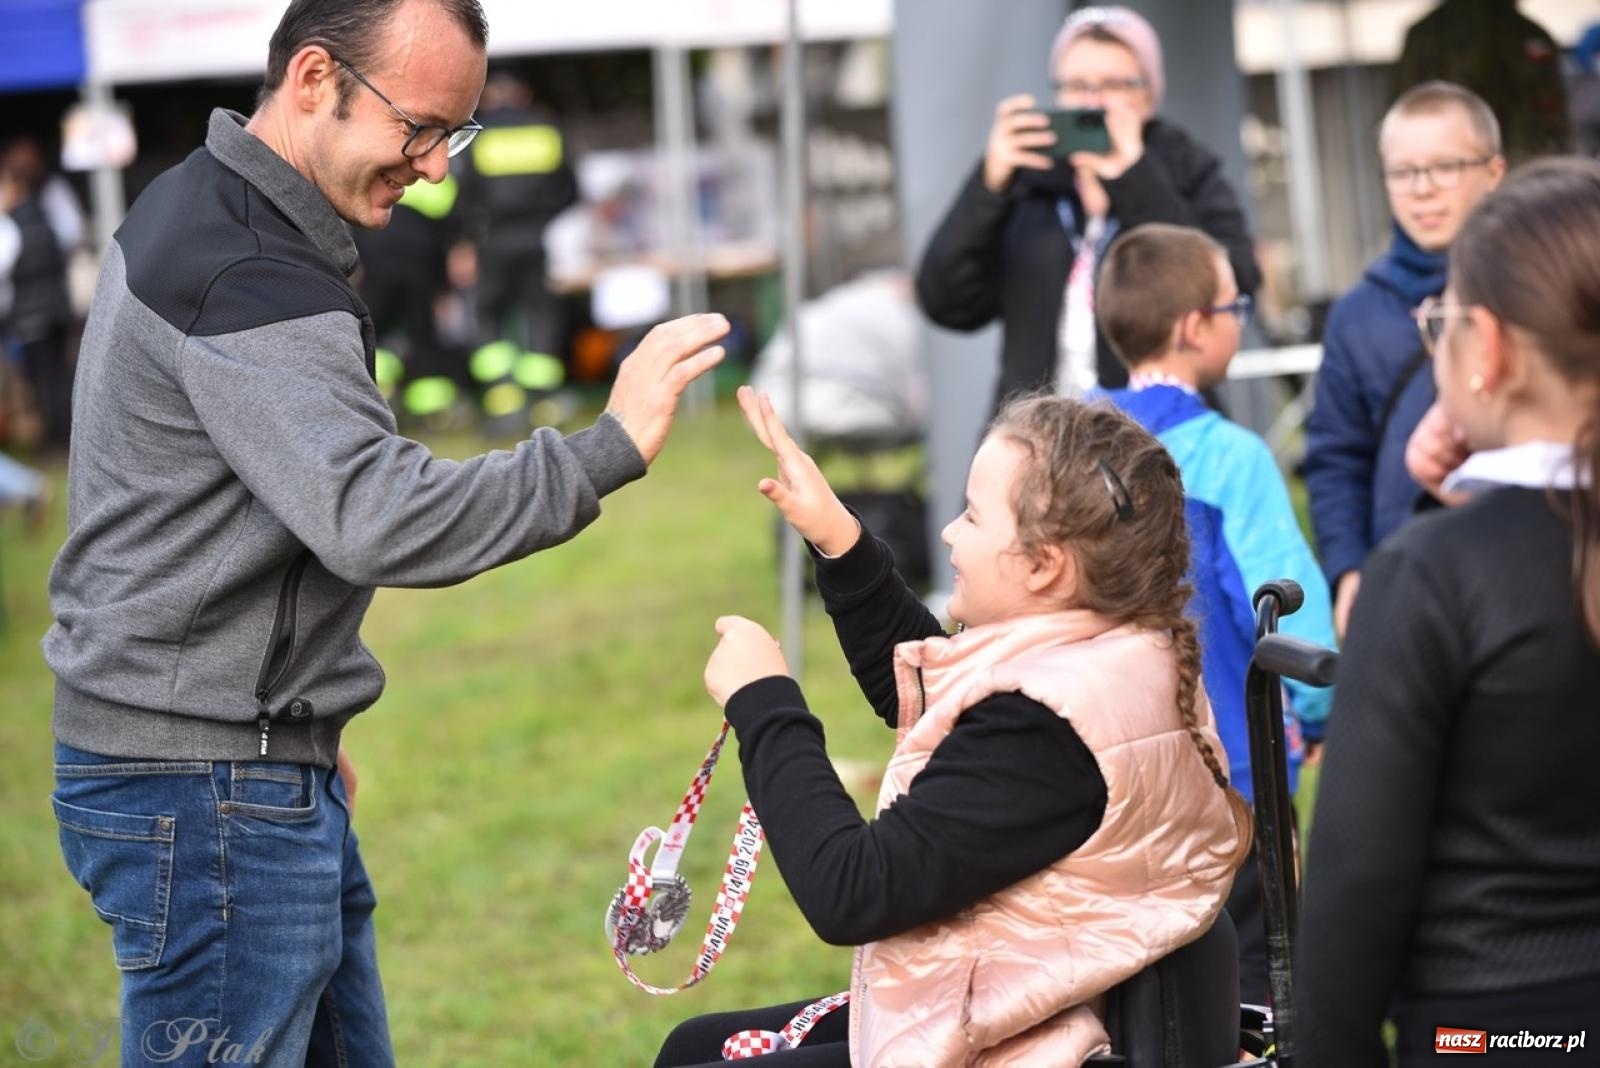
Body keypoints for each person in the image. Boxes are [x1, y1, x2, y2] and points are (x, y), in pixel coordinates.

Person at [43, 0, 728, 1062]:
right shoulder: (244, 271)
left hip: (240, 761)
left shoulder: (206, 210)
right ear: (314, 78)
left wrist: (299, 724)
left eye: (453, 136)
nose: (437, 170)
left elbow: (235, 512)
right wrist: (610, 446)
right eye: (418, 129)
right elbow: (377, 513)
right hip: (209, 785)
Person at [654, 387, 1249, 1066]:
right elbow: (946, 700)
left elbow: (853, 890)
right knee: (691, 1047)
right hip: (1023, 992)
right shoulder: (1116, 650)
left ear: (1045, 565)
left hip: (1024, 1034)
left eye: (971, 515)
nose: (948, 532)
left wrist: (765, 703)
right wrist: (839, 538)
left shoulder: (1046, 730)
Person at [1296, 157, 1600, 1066]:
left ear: (1491, 350)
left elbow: (1357, 880)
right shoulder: (1451, 560)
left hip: (1495, 1029)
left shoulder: (1432, 577)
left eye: (1445, 322)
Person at [1093, 222, 1335, 1007]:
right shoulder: (1234, 458)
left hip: (1100, 785)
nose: (1243, 317)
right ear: (1197, 326)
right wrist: (1321, 711)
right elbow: (1295, 620)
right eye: (1236, 303)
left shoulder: (1058, 454)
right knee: (1258, 992)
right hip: (1232, 781)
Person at [915, 5, 1259, 415]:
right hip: (1039, 446)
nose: (1093, 102)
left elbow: (1234, 288)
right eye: (1076, 86)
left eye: (1115, 84)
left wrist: (1133, 177)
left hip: (1156, 438)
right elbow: (945, 300)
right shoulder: (1028, 180)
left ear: (1149, 94)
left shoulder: (1188, 170)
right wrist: (989, 186)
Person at [1303, 82, 1505, 637]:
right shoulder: (1356, 312)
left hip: (1522, 562)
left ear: (1493, 172)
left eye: (1445, 167)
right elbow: (1336, 459)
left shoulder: (1533, 292)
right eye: (1404, 172)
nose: (1423, 190)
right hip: (1403, 581)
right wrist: (1347, 571)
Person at [1392, 0, 1569, 164]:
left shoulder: (1529, 35)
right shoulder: (1426, 36)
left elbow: (1550, 106)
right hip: (1459, 156)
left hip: (1514, 154)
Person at [1, 137, 75, 453]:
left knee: (41, 381)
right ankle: (65, 437)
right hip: (56, 308)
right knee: (59, 376)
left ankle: (53, 442)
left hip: (30, 316)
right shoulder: (44, 217)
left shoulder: (10, 226)